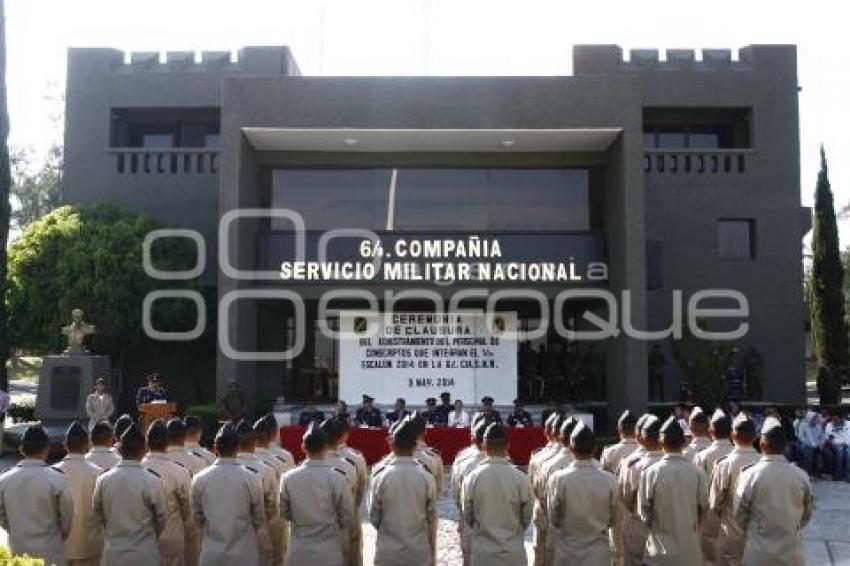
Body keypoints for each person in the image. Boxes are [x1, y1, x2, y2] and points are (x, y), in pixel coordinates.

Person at [733, 416, 814, 565]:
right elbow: (806, 515)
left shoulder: (749, 475)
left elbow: (739, 516)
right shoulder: (801, 476)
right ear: (786, 446)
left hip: (758, 555)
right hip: (791, 555)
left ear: (762, 444)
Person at [280, 423, 355, 566]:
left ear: (303, 447)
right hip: (329, 551)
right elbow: (347, 516)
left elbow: (284, 513)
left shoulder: (288, 477)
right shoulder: (338, 477)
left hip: (299, 550)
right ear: (326, 447)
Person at [638, 415, 708, 566]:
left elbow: (644, 512)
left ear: (660, 441)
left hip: (659, 553)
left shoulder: (651, 472)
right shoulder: (697, 472)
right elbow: (703, 508)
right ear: (683, 442)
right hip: (689, 552)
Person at [94, 424, 168, 565]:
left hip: (113, 553)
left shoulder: (103, 479)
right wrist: (149, 537)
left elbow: (98, 514)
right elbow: (162, 518)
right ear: (144, 449)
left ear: (120, 450)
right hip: (144, 554)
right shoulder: (152, 480)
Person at [548, 423, 621, 566]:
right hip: (598, 554)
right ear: (595, 449)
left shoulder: (559, 479)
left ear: (570, 448)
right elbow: (614, 520)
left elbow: (553, 518)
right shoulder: (610, 479)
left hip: (567, 552)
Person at [0, 424, 74, 565]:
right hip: (50, 551)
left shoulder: (4, 480)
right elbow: (67, 517)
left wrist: (15, 531)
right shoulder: (57, 479)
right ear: (47, 449)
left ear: (21, 449)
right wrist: (58, 537)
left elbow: (2, 518)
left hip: (18, 551)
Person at [192, 424, 265, 565]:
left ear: (215, 448)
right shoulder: (252, 478)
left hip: (212, 554)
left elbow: (198, 519)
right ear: (238, 448)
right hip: (244, 555)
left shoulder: (200, 479)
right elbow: (259, 518)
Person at [369, 417, 438, 566]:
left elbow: (374, 516)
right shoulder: (426, 476)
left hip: (388, 552)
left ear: (392, 445)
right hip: (417, 551)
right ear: (415, 445)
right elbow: (431, 516)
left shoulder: (380, 475)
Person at [462, 423, 533, 566]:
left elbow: (468, 516)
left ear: (484, 446)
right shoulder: (521, 478)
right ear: (508, 447)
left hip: (484, 553)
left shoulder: (472, 478)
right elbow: (526, 517)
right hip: (512, 552)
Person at [709, 412, 761, 566]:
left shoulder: (724, 465)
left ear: (732, 435)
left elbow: (714, 504)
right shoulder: (763, 463)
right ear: (755, 437)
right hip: (759, 537)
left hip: (731, 534)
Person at [143, 419, 192, 566]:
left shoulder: (137, 469)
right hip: (172, 536)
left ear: (146, 443)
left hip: (143, 539)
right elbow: (188, 508)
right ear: (167, 443)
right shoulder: (179, 471)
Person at [55, 421, 104, 566]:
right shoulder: (98, 473)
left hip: (61, 545)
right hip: (91, 544)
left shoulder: (53, 473)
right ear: (88, 444)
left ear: (65, 445)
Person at [619, 414, 663, 566]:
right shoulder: (680, 463)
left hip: (638, 526)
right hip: (669, 530)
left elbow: (625, 498)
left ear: (641, 438)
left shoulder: (631, 464)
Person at [694, 409, 735, 562]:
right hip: (735, 520)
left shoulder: (702, 456)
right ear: (731, 432)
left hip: (708, 517)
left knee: (709, 559)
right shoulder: (738, 455)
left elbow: (696, 491)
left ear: (711, 430)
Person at [235, 420, 277, 565]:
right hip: (258, 533)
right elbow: (272, 507)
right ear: (254, 443)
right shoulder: (266, 469)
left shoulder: (210, 472)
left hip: (223, 536)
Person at [254, 416, 293, 566]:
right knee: (277, 558)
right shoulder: (284, 457)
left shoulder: (240, 458)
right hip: (275, 518)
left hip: (247, 520)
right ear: (275, 432)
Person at [451, 419, 488, 566]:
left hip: (469, 521)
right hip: (499, 526)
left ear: (473, 438)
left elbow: (456, 493)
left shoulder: (462, 461)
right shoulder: (509, 465)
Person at [601, 409, 640, 474]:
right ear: (636, 429)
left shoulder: (609, 452)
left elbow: (604, 477)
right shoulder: (644, 451)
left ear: (619, 429)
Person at [796, 410, 829, 477]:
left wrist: (821, 443)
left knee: (828, 454)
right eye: (815, 418)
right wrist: (811, 444)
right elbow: (801, 438)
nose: (817, 419)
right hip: (806, 445)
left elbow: (822, 436)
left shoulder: (818, 425)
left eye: (817, 418)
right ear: (810, 418)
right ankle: (807, 473)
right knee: (808, 452)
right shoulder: (803, 425)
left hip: (818, 445)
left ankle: (821, 473)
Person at [824, 412, 850, 481]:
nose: (834, 421)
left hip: (847, 444)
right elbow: (828, 438)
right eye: (833, 419)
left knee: (848, 453)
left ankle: (846, 474)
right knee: (840, 451)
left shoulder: (848, 424)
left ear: (842, 419)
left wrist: (846, 443)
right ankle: (838, 474)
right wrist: (834, 443)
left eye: (836, 419)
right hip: (835, 444)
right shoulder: (829, 425)